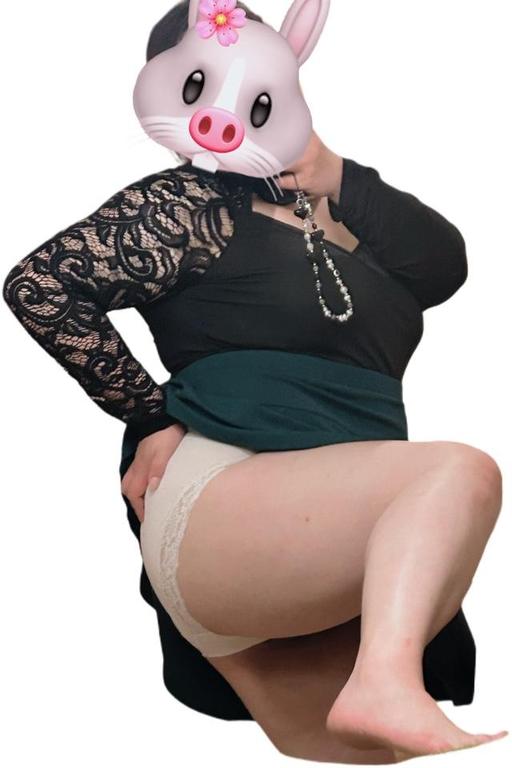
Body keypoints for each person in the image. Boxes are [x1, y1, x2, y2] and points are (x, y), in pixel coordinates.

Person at [3, 1, 507, 763]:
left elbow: (444, 267)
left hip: (335, 523)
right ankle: (383, 677)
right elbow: (41, 287)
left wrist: (337, 175)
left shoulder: (345, 212)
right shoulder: (184, 207)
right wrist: (150, 416)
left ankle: (376, 682)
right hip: (227, 489)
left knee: (365, 753)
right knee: (460, 473)